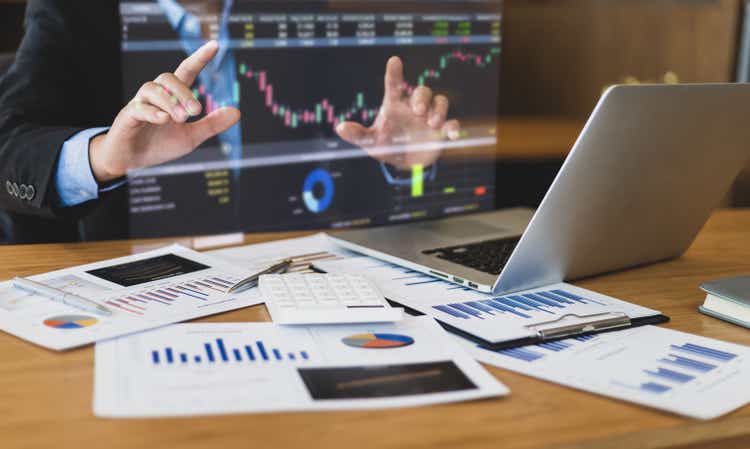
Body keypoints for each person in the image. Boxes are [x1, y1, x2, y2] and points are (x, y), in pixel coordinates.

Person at [0, 0, 460, 244]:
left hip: (276, 274)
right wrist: (103, 155)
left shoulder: (291, 9)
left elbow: (331, 148)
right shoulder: (72, 9)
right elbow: (10, 152)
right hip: (137, 282)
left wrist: (400, 165)